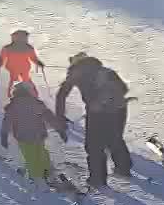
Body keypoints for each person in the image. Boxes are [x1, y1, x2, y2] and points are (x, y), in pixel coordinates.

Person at [54, 52, 133, 186]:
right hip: (119, 109)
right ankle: (123, 169)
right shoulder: (106, 71)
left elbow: (61, 95)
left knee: (94, 145)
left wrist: (60, 117)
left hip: (97, 113)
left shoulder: (76, 73)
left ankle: (97, 179)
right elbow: (124, 89)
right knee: (115, 138)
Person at [0, 81, 64, 182]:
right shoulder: (37, 103)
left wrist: (3, 135)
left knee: (31, 156)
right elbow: (49, 117)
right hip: (38, 134)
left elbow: (7, 122)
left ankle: (36, 176)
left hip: (23, 137)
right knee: (41, 151)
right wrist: (59, 129)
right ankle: (45, 169)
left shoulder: (12, 106)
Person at [0, 29, 45, 95]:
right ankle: (34, 94)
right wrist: (39, 63)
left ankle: (11, 94)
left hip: (14, 68)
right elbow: (33, 58)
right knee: (25, 80)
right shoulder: (28, 48)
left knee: (14, 80)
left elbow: (2, 57)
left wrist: (0, 63)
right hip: (22, 68)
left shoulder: (8, 48)